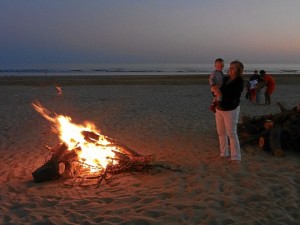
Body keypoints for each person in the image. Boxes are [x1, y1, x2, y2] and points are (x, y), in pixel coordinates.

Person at [212, 60, 244, 163]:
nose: (230, 69)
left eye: (233, 67)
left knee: (231, 133)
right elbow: (215, 92)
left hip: (231, 109)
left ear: (238, 70)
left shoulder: (239, 81)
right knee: (221, 132)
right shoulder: (225, 78)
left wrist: (219, 90)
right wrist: (214, 90)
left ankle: (236, 157)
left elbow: (232, 94)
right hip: (219, 108)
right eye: (230, 67)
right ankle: (223, 153)